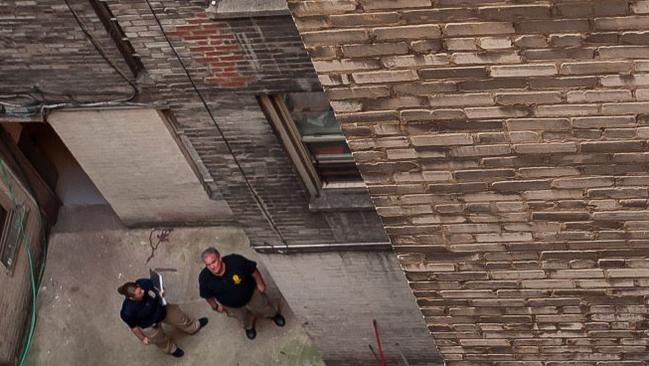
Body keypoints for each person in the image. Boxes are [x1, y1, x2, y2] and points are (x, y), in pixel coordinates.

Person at [198, 247, 285, 340]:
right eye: (208, 265)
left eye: (213, 262)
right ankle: (249, 327)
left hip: (251, 295)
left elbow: (252, 269)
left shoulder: (236, 261)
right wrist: (215, 306)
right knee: (242, 318)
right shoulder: (204, 278)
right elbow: (207, 295)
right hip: (232, 306)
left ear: (220, 258)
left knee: (264, 306)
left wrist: (260, 283)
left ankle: (273, 315)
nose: (212, 267)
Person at [118, 278, 208, 357]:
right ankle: (171, 349)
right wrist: (142, 338)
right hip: (149, 324)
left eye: (140, 289)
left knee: (180, 318)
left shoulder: (144, 283)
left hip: (161, 309)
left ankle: (193, 327)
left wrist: (162, 291)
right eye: (139, 293)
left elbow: (158, 286)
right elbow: (133, 327)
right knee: (160, 340)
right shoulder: (127, 312)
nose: (143, 291)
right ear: (131, 298)